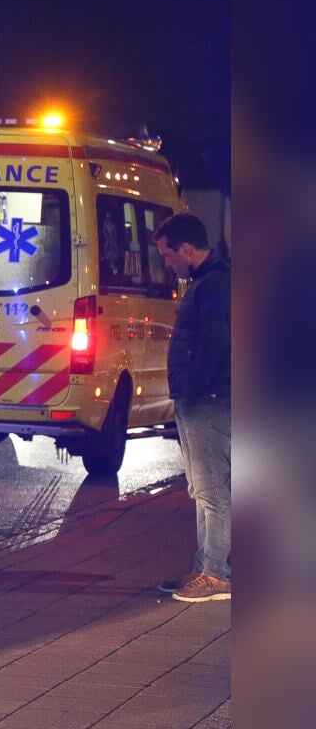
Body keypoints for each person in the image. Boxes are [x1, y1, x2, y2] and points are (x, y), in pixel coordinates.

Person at [153, 213, 231, 603]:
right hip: (203, 399)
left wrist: (193, 392)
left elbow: (215, 344)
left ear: (186, 248)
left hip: (209, 402)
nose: (168, 264)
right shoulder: (208, 282)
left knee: (212, 489)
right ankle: (205, 564)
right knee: (202, 489)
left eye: (169, 255)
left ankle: (217, 573)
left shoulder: (214, 284)